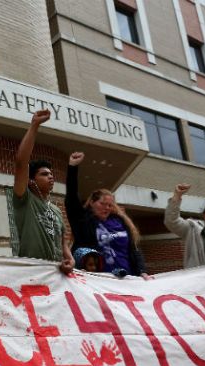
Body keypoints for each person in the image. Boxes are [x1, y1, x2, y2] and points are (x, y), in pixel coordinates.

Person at [66, 152, 151, 279]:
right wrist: (73, 167)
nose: (107, 208)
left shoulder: (120, 222)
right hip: (99, 280)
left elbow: (133, 250)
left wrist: (142, 270)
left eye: (110, 205)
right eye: (103, 204)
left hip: (127, 278)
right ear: (92, 203)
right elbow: (72, 198)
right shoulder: (83, 221)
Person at [12, 109, 74, 274]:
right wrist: (34, 126)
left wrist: (70, 258)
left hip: (56, 274)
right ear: (32, 180)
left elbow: (63, 244)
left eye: (52, 174)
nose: (51, 177)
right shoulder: (24, 199)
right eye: (44, 174)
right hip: (31, 271)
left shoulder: (56, 211)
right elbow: (21, 162)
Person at [164, 184, 205, 268]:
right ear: (204, 214)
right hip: (204, 279)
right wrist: (177, 196)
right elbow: (172, 221)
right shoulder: (193, 228)